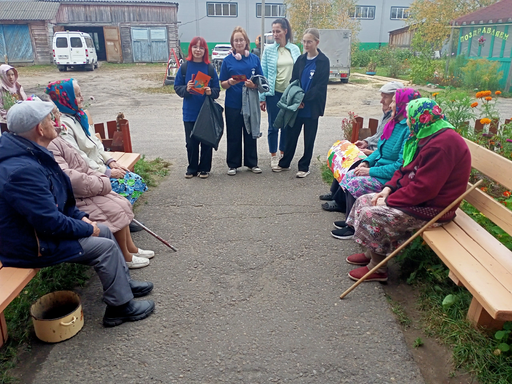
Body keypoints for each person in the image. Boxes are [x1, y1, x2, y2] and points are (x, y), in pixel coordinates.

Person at [0, 99, 155, 327]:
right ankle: (119, 308)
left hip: (39, 234)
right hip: (31, 245)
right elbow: (48, 222)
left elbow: (61, 196)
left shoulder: (34, 153)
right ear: (39, 129)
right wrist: (85, 227)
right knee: (104, 246)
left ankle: (123, 284)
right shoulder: (22, 170)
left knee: (102, 230)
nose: (55, 121)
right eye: (49, 119)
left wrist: (79, 216)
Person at [343, 98, 471, 282]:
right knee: (364, 200)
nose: (407, 122)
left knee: (374, 214)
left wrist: (388, 201)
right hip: (419, 197)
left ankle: (378, 269)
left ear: (423, 118)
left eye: (410, 118)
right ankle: (372, 253)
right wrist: (387, 189)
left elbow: (425, 190)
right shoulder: (426, 134)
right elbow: (404, 168)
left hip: (434, 208)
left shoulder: (441, 145)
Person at [48, 105, 155, 269]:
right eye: (52, 117)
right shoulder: (56, 139)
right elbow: (69, 176)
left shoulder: (72, 124)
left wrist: (107, 166)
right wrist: (103, 176)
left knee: (121, 202)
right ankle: (125, 256)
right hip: (79, 193)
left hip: (92, 178)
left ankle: (131, 248)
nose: (57, 119)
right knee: (113, 209)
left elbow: (92, 151)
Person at [329, 88, 421, 240]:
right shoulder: (392, 123)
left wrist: (370, 172)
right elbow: (380, 149)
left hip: (390, 177)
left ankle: (353, 228)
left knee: (356, 183)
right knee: (351, 174)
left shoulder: (408, 131)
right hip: (378, 168)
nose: (390, 105)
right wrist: (366, 163)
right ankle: (351, 220)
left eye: (393, 101)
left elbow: (399, 165)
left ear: (403, 105)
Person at [46, 79, 147, 204]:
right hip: (90, 173)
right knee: (125, 187)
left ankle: (125, 215)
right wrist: (107, 172)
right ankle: (121, 218)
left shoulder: (80, 116)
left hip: (99, 165)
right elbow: (79, 158)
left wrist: (110, 161)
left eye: (80, 94)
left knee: (136, 180)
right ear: (65, 99)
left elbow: (96, 143)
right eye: (77, 96)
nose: (82, 98)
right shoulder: (64, 126)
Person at [320, 81, 404, 212]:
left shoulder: (400, 124)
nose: (382, 101)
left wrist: (369, 154)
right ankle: (336, 195)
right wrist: (366, 142)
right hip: (376, 154)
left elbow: (392, 155)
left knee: (352, 163)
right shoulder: (391, 118)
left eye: (386, 98)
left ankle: (341, 204)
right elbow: (379, 138)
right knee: (345, 154)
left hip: (380, 160)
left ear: (399, 103)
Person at [273, 28, 329, 178]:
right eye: (304, 41)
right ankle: (285, 163)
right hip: (297, 107)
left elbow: (320, 87)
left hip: (312, 107)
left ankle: (304, 167)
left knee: (308, 139)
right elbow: (294, 81)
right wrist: (296, 100)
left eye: (309, 41)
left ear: (317, 42)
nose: (306, 44)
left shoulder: (323, 61)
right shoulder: (301, 60)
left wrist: (303, 100)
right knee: (291, 135)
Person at [219, 26, 264, 176]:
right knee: (233, 134)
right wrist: (231, 82)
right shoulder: (227, 61)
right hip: (233, 104)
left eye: (241, 40)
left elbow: (262, 82)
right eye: (236, 40)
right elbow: (222, 84)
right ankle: (233, 164)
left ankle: (252, 163)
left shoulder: (254, 59)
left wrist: (254, 85)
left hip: (250, 103)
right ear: (232, 43)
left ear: (246, 42)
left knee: (250, 132)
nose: (239, 43)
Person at [174, 36, 220, 179]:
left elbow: (217, 90)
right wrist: (186, 89)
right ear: (191, 49)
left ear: (205, 50)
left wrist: (210, 92)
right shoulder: (184, 67)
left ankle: (205, 168)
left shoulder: (210, 68)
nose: (198, 50)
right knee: (191, 142)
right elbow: (177, 87)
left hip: (206, 112)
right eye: (195, 47)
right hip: (189, 112)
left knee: (206, 141)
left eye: (201, 47)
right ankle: (192, 168)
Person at [259, 18, 301, 169]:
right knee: (273, 125)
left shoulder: (295, 49)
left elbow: (299, 72)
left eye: (278, 31)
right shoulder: (269, 50)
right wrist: (262, 97)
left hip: (289, 94)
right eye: (273, 31)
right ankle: (273, 156)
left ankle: (283, 154)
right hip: (273, 93)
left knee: (287, 125)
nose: (275, 34)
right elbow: (263, 75)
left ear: (285, 31)